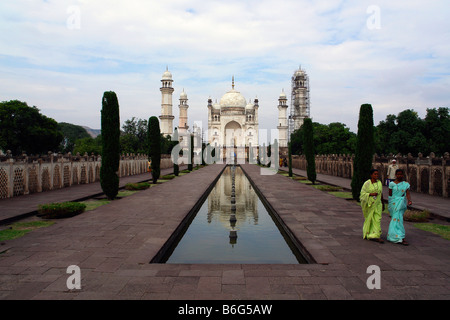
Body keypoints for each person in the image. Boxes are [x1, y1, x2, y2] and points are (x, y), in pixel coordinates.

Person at [387, 169, 412, 245]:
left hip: (401, 204)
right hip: (394, 204)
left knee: (399, 220)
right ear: (395, 175)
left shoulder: (405, 184)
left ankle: (401, 237)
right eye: (398, 174)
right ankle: (393, 236)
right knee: (395, 219)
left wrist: (409, 200)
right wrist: (391, 204)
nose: (399, 176)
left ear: (403, 175)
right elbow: (390, 195)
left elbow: (407, 193)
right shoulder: (391, 184)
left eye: (401, 174)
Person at [360, 169, 385, 243]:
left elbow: (381, 194)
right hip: (370, 205)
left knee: (377, 220)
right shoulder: (367, 183)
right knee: (370, 219)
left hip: (378, 204)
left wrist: (383, 203)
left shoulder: (379, 183)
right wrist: (371, 194)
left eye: (377, 174)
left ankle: (376, 235)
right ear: (371, 175)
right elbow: (362, 194)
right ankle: (369, 234)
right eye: (375, 174)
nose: (376, 175)